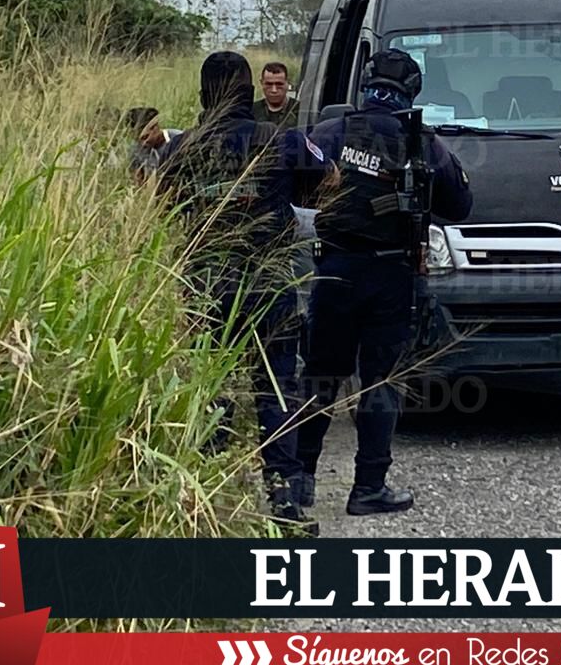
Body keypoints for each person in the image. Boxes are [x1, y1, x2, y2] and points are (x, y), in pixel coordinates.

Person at [157, 52, 333, 529]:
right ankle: (284, 500)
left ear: (203, 95)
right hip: (270, 283)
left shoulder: (181, 149)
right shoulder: (282, 139)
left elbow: (161, 206)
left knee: (210, 387)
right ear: (248, 92)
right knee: (275, 387)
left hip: (207, 286)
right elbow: (330, 182)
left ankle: (210, 498)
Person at [296, 49, 473, 515]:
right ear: (412, 91)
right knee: (382, 381)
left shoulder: (332, 131)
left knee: (320, 375)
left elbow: (295, 185)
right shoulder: (423, 143)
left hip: (334, 270)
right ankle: (368, 488)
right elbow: (460, 205)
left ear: (366, 84)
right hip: (392, 274)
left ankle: (299, 480)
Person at [253, 61, 301, 128]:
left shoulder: (300, 110)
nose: (274, 90)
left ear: (287, 83)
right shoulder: (251, 111)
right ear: (261, 83)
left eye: (279, 84)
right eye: (269, 84)